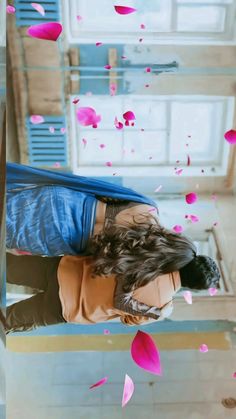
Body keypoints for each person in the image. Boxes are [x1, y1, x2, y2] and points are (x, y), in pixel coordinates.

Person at [6, 252, 220, 334]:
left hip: (66, 269)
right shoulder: (161, 307)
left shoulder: (157, 254)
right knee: (8, 321)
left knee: (8, 266)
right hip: (69, 307)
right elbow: (128, 321)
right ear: (194, 287)